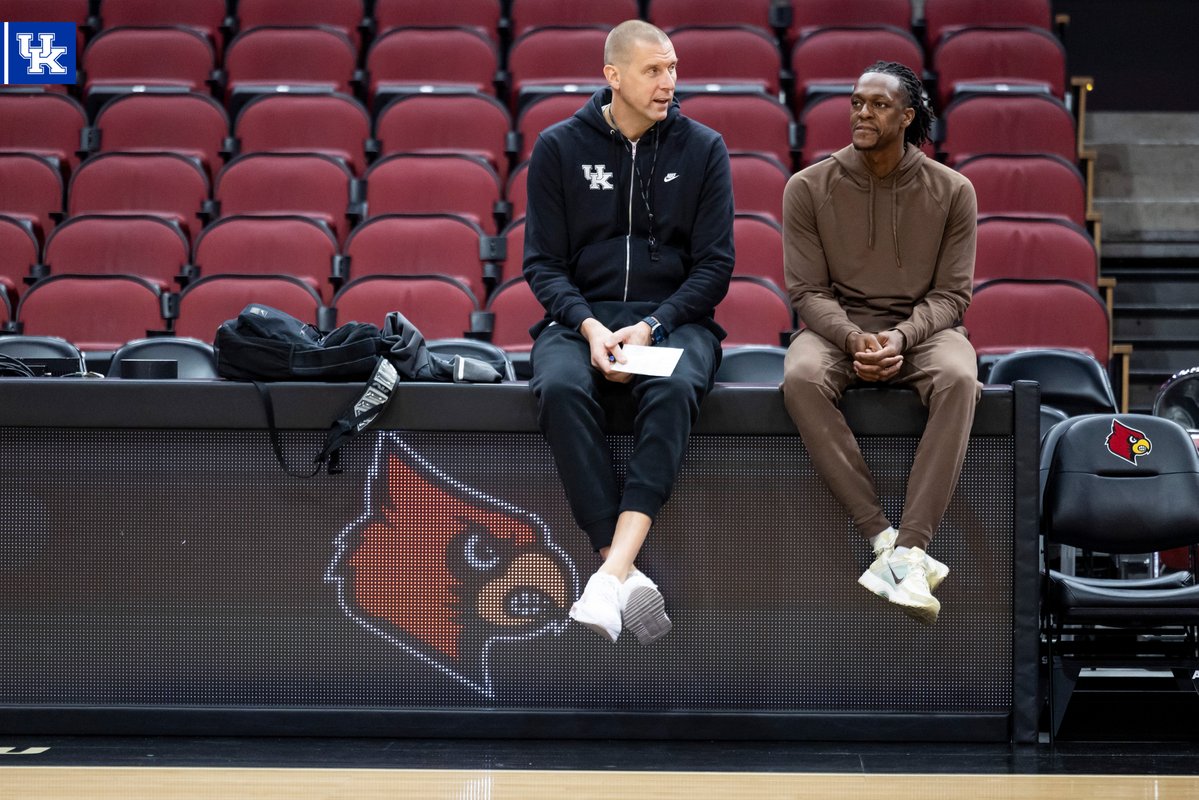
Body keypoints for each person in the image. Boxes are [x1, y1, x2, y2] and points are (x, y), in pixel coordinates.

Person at [522, 20, 734, 644]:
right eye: (653, 70)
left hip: (672, 319)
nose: (669, 82)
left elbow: (715, 267)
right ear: (613, 76)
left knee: (673, 388)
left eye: (673, 68)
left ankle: (608, 574)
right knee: (559, 388)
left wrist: (651, 325)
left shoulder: (704, 148)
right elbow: (543, 265)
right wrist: (589, 326)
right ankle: (621, 571)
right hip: (580, 318)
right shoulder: (559, 147)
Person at [781, 61, 980, 625]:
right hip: (837, 327)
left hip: (924, 330)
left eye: (878, 105)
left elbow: (953, 295)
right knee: (800, 376)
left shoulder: (953, 190)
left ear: (908, 116)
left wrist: (901, 335)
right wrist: (852, 337)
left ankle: (912, 547)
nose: (862, 113)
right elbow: (806, 291)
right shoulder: (807, 187)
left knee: (960, 376)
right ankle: (883, 539)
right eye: (856, 103)